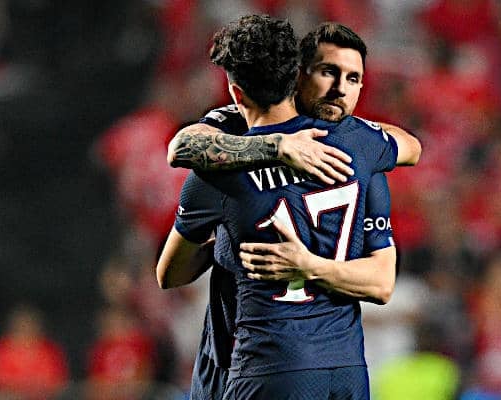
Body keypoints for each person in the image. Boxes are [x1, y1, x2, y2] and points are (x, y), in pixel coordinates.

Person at [166, 21, 420, 400]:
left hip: (263, 364)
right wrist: (279, 146)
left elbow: (169, 272)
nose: (339, 90)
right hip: (342, 369)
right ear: (298, 77)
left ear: (236, 91)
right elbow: (411, 147)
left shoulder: (220, 167)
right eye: (328, 73)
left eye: (352, 78)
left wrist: (295, 260)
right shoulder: (361, 150)